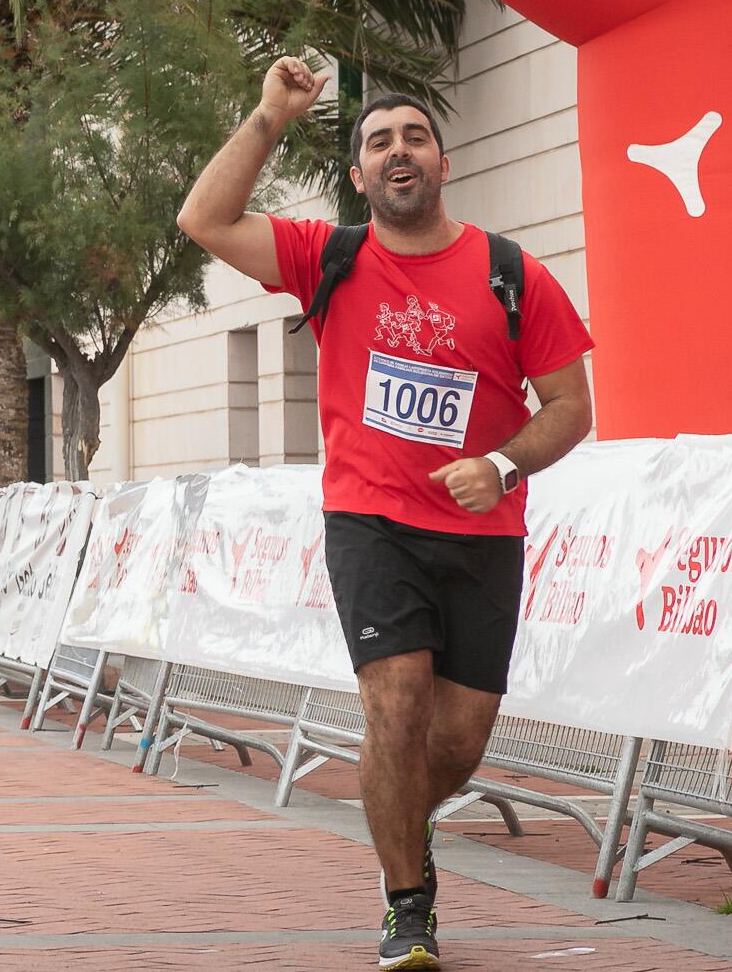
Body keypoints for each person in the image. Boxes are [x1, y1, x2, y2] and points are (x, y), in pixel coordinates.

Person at [176, 57, 593, 972]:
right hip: (370, 523)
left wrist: (500, 462)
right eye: (377, 143)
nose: (397, 152)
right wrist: (268, 118)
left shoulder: (513, 273)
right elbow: (203, 220)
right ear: (360, 176)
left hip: (483, 532)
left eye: (414, 137)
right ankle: (409, 904)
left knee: (457, 740)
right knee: (395, 702)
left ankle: (405, 830)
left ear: (443, 163)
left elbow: (571, 407)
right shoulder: (329, 256)